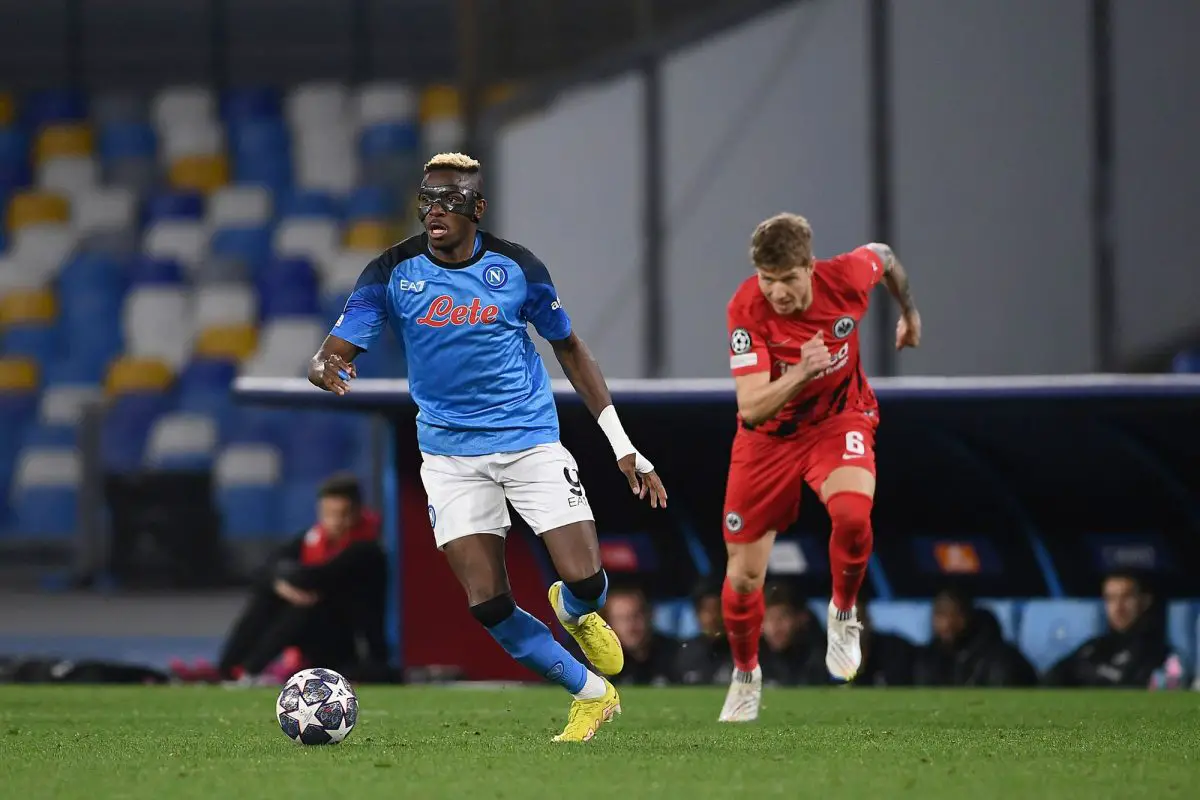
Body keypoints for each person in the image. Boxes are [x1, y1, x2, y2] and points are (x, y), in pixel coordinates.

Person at [308, 153, 668, 742]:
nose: (434, 212)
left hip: (529, 441)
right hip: (450, 458)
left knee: (585, 577)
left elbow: (570, 347)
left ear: (477, 209)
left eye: (448, 201)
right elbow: (337, 347)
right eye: (426, 200)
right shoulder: (390, 271)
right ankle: (591, 694)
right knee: (487, 602)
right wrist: (324, 365)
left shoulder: (518, 268)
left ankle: (576, 611)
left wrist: (621, 444)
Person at [717, 213, 922, 722]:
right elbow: (751, 407)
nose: (778, 292)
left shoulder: (848, 277)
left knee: (853, 516)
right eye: (769, 280)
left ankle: (844, 612)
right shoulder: (746, 307)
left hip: (837, 420)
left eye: (788, 279)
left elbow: (887, 256)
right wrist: (802, 372)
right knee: (744, 579)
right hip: (766, 442)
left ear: (810, 267)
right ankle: (745, 676)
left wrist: (910, 314)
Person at [186, 474, 390, 684]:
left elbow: (316, 576)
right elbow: (265, 571)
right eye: (328, 514)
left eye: (343, 514)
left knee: (304, 606)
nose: (336, 521)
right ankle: (227, 669)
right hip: (311, 635)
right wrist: (282, 585)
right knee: (268, 595)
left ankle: (250, 671)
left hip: (344, 644)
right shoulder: (311, 539)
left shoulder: (368, 551)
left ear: (358, 512)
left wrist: (283, 579)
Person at [1043, 572, 1189, 689]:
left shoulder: (1160, 653)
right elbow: (1051, 679)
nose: (1118, 608)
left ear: (1145, 601)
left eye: (1126, 597)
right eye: (1111, 599)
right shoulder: (1093, 646)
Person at [912, 586, 1036, 687]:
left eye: (954, 615)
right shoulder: (929, 658)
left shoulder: (1001, 660)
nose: (946, 624)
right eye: (940, 615)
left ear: (968, 617)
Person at [603, 585, 679, 686]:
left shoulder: (675, 654)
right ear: (609, 623)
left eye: (636, 616)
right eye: (621, 619)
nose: (631, 627)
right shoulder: (600, 661)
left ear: (650, 615)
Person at [757, 582, 828, 686]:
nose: (775, 626)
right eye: (768, 618)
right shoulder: (749, 660)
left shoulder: (820, 659)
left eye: (783, 617)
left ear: (801, 619)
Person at [675, 578, 733, 685]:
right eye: (708, 610)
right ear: (697, 614)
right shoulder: (684, 653)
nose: (713, 617)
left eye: (718, 609)